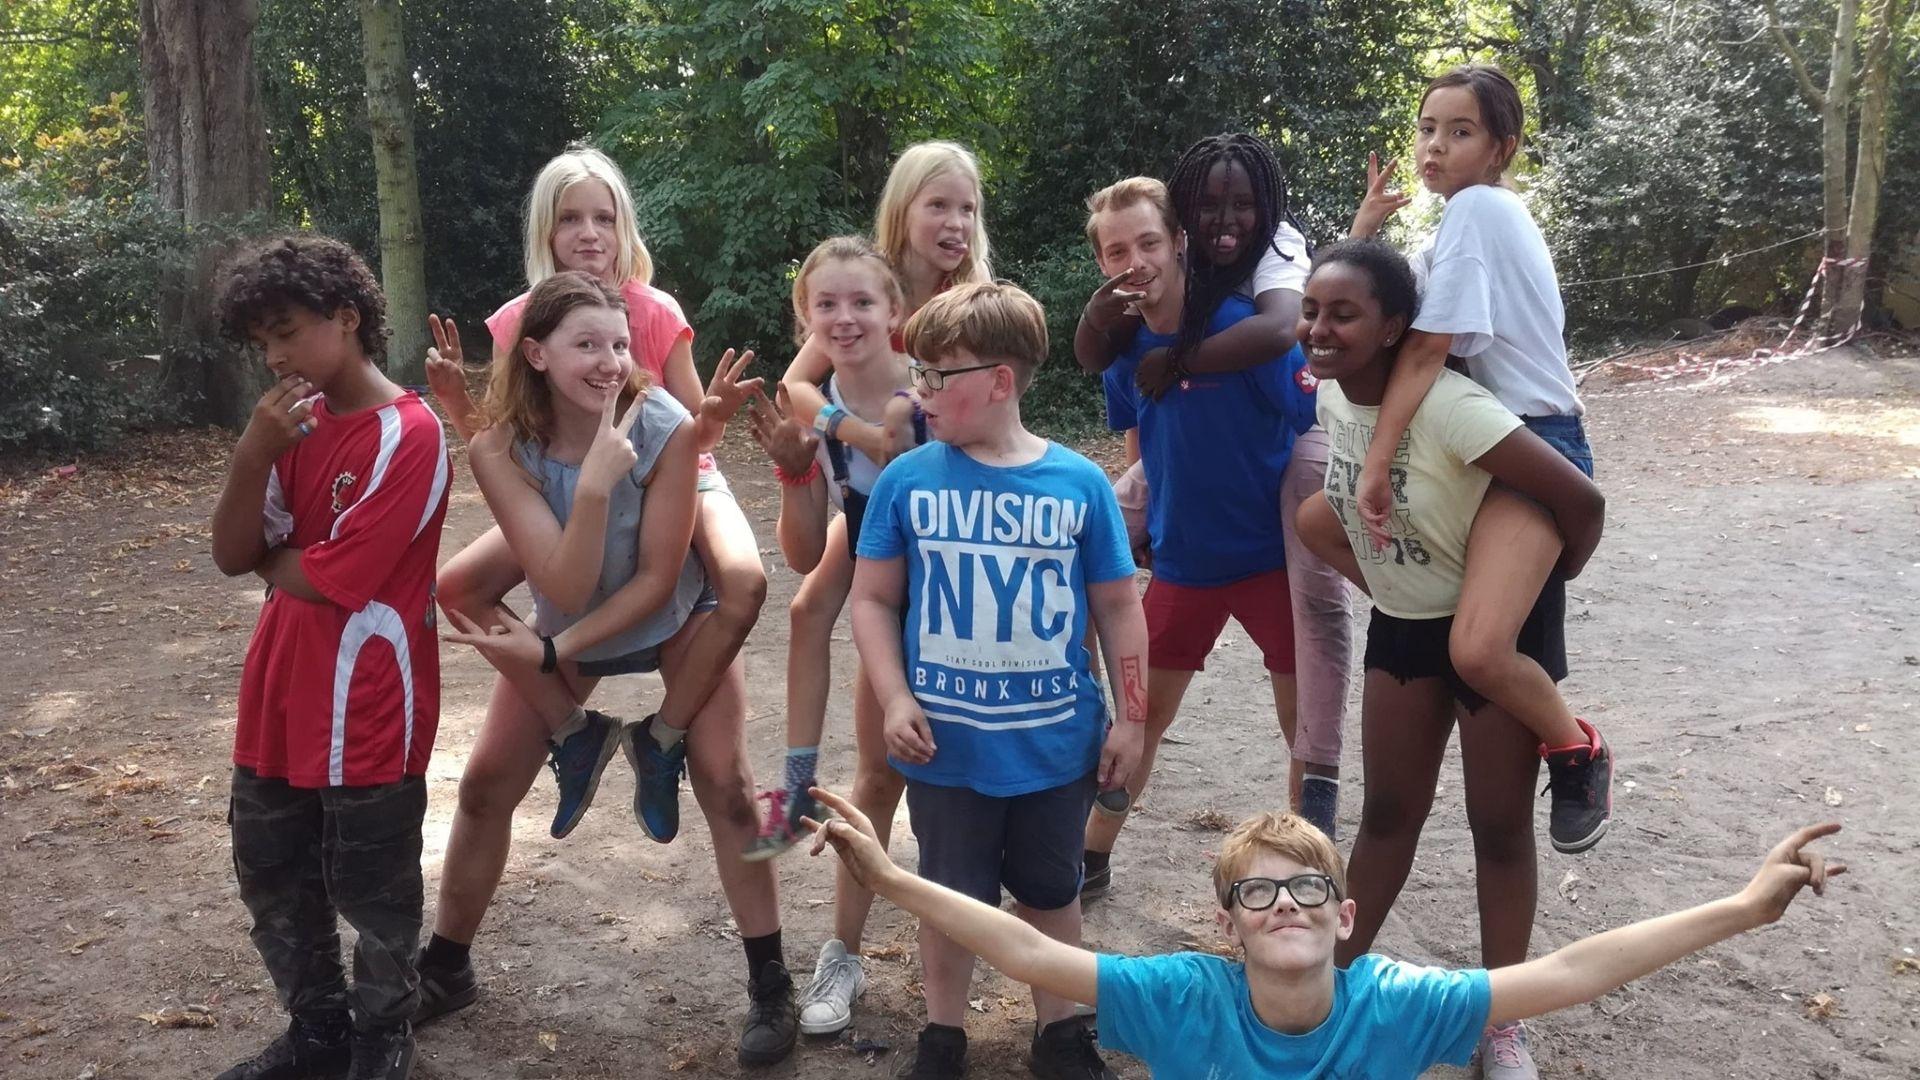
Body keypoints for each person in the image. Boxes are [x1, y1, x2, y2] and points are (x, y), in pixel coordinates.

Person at [802, 787, 1845, 1080]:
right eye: (1258, 896)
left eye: (1307, 890)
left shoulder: (1399, 1003)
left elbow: (1572, 970)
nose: (1286, 906)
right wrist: (890, 877)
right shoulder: (1182, 998)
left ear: (1345, 917)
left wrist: (1744, 908)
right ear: (1228, 927)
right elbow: (1029, 952)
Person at [424, 273, 797, 1065]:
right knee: (484, 785)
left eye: (620, 345)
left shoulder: (662, 424)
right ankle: (445, 968)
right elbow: (561, 589)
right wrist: (592, 486)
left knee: (730, 787)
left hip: (670, 615)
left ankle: (772, 982)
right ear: (536, 354)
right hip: (575, 613)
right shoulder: (500, 446)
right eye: (586, 344)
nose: (609, 361)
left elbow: (657, 580)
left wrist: (550, 654)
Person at [1295, 239, 1604, 1078]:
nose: (1319, 328)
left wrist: (1554, 581)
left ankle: (1502, 1023)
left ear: (1396, 326)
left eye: (1344, 314)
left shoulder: (1453, 407)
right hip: (1407, 623)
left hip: (1494, 627)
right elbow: (1332, 518)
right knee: (1386, 816)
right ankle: (1324, 993)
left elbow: (1579, 497)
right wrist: (1393, 579)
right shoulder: (1334, 402)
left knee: (1497, 826)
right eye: (1311, 311)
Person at [422, 144, 765, 847]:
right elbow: (505, 443)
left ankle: (664, 737)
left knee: (742, 578)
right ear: (545, 233)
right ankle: (573, 731)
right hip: (570, 489)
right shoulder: (519, 319)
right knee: (456, 585)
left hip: (675, 473)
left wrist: (715, 417)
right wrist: (456, 401)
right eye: (570, 219)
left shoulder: (656, 310)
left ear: (623, 227)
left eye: (603, 218)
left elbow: (695, 434)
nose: (588, 233)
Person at [848, 282, 1149, 1078]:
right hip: (946, 748)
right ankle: (943, 1035)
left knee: (1053, 890)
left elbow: (1119, 607)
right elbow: (872, 600)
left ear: (1001, 380)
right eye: (918, 373)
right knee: (950, 896)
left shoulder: (1080, 485)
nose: (919, 391)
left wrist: (1132, 720)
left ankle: (1061, 1033)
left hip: (1055, 746)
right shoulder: (907, 481)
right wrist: (894, 696)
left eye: (937, 375)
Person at [1334, 66, 1615, 856]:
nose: (1436, 146)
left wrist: (1377, 462)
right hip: (1477, 449)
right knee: (1316, 521)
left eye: (1460, 132)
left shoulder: (1481, 210)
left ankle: (1577, 749)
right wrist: (1366, 224)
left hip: (1532, 446)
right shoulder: (1452, 230)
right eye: (1428, 128)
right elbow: (1368, 312)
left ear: (1501, 149)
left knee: (1481, 650)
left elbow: (1425, 351)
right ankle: (1443, 610)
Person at [209, 234, 451, 1080]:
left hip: (368, 698)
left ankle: (383, 1039)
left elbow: (333, 578)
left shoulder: (410, 433)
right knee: (272, 868)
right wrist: (253, 451)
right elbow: (232, 551)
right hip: (278, 688)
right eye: (261, 343)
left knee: (374, 886)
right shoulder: (289, 429)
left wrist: (276, 560)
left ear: (347, 319)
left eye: (287, 333)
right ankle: (316, 1030)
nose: (275, 357)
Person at [776, 140, 997, 1037]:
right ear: (902, 210)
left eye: (968, 207)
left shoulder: (971, 311)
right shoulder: (857, 297)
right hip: (873, 522)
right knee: (875, 764)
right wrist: (849, 434)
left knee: (964, 771)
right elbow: (796, 387)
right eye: (938, 204)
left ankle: (1008, 939)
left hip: (952, 544)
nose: (955, 222)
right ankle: (841, 944)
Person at [1074, 174, 1319, 899]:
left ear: (1180, 241)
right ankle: (1090, 855)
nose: (1136, 262)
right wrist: (1148, 518)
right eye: (1117, 251)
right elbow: (1135, 431)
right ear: (1101, 263)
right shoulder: (1123, 348)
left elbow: (1310, 428)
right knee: (1139, 719)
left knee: (1305, 728)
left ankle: (1311, 867)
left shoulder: (1245, 329)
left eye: (1149, 242)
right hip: (1183, 563)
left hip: (1274, 562)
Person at [737, 235, 924, 872]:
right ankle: (798, 787)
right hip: (877, 556)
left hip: (942, 568)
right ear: (806, 318)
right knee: (808, 613)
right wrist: (794, 475)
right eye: (827, 305)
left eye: (862, 302)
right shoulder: (813, 415)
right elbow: (803, 552)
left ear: (894, 311)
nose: (844, 318)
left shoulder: (932, 391)